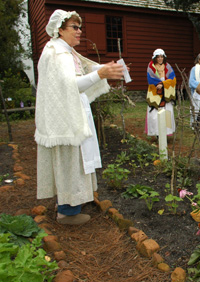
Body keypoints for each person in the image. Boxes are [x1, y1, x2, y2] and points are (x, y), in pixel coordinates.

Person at [35, 10, 125, 225]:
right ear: (60, 30)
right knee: (70, 160)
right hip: (65, 118)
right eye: (74, 27)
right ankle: (67, 212)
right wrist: (101, 74)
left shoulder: (66, 51)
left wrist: (108, 70)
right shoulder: (57, 53)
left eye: (79, 27)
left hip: (72, 110)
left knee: (76, 159)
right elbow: (72, 85)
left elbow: (87, 70)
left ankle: (70, 203)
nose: (79, 31)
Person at [145, 49, 177, 137]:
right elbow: (150, 79)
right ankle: (156, 133)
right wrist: (158, 84)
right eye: (158, 57)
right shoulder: (151, 67)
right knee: (154, 115)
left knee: (167, 113)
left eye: (161, 57)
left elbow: (173, 80)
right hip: (155, 93)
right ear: (155, 58)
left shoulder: (168, 67)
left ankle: (166, 132)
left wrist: (163, 84)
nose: (160, 59)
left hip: (165, 93)